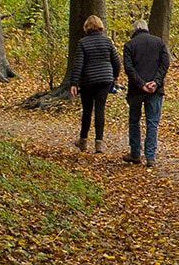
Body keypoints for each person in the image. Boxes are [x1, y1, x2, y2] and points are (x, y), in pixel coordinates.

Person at [66, 15, 120, 153]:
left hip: (88, 80)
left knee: (87, 110)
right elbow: (116, 61)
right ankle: (99, 143)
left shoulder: (83, 43)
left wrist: (74, 83)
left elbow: (78, 64)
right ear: (100, 26)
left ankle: (83, 140)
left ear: (86, 27)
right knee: (100, 109)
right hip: (104, 79)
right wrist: (115, 76)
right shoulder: (108, 42)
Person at [122, 18, 172, 167]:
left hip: (136, 91)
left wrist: (141, 84)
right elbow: (165, 64)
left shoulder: (130, 45)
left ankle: (135, 153)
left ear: (134, 30)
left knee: (134, 121)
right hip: (155, 90)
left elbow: (128, 68)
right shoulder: (159, 43)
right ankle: (150, 156)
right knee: (152, 123)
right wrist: (156, 82)